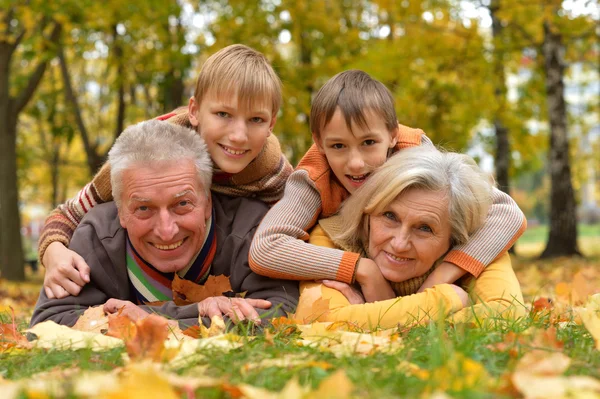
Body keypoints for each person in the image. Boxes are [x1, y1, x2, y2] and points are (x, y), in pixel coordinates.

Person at [39, 44, 293, 300]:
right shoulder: (144, 157)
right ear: (194, 111)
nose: (239, 136)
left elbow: (302, 223)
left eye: (256, 120)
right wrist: (53, 250)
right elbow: (68, 213)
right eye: (223, 114)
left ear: (271, 123)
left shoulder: (271, 170)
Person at [249, 70, 526, 302]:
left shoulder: (414, 154)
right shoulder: (313, 180)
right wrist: (361, 269)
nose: (356, 164)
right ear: (320, 143)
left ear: (393, 135)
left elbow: (507, 212)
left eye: (369, 143)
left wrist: (440, 278)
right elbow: (265, 249)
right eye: (338, 146)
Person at [30, 120, 299, 328]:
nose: (166, 229)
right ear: (120, 211)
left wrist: (144, 319)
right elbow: (48, 323)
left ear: (207, 200)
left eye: (182, 204)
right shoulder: (98, 233)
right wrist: (196, 313)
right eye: (144, 208)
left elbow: (282, 311)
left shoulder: (252, 227)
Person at [294, 146, 525, 328]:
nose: (399, 243)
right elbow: (318, 321)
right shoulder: (332, 237)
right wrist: (449, 299)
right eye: (389, 216)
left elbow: (508, 315)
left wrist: (371, 314)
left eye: (424, 228)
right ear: (368, 212)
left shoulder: (479, 244)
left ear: (454, 237)